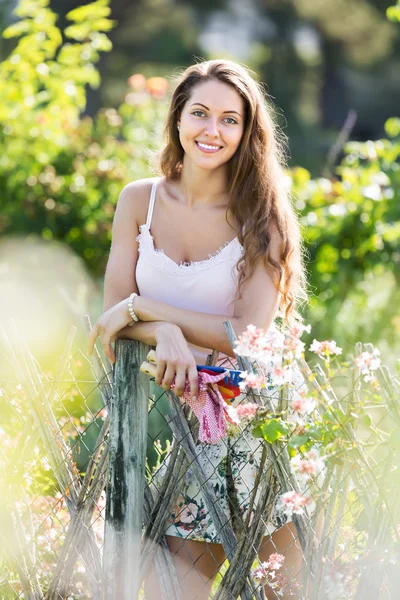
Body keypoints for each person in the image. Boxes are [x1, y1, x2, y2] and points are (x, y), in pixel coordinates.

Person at [88, 59, 309, 599]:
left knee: (284, 587)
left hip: (251, 418)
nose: (213, 131)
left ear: (247, 132)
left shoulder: (263, 214)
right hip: (164, 416)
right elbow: (114, 315)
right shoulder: (139, 200)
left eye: (230, 120)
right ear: (178, 119)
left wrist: (146, 309)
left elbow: (246, 334)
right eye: (200, 113)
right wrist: (160, 331)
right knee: (163, 584)